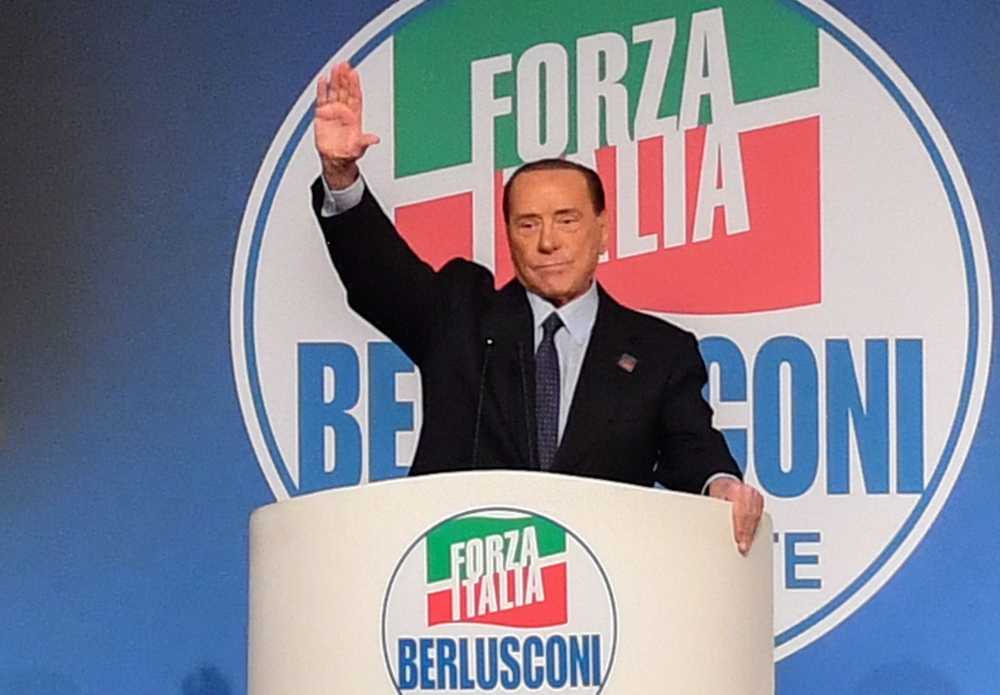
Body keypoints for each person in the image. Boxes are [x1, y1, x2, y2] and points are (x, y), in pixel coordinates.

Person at [313, 62, 764, 554]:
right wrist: (341, 175)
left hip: (604, 596)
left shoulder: (660, 353)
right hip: (463, 592)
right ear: (508, 236)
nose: (548, 241)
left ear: (603, 231)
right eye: (527, 225)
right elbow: (381, 279)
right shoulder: (461, 316)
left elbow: (692, 449)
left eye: (566, 220)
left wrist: (722, 486)